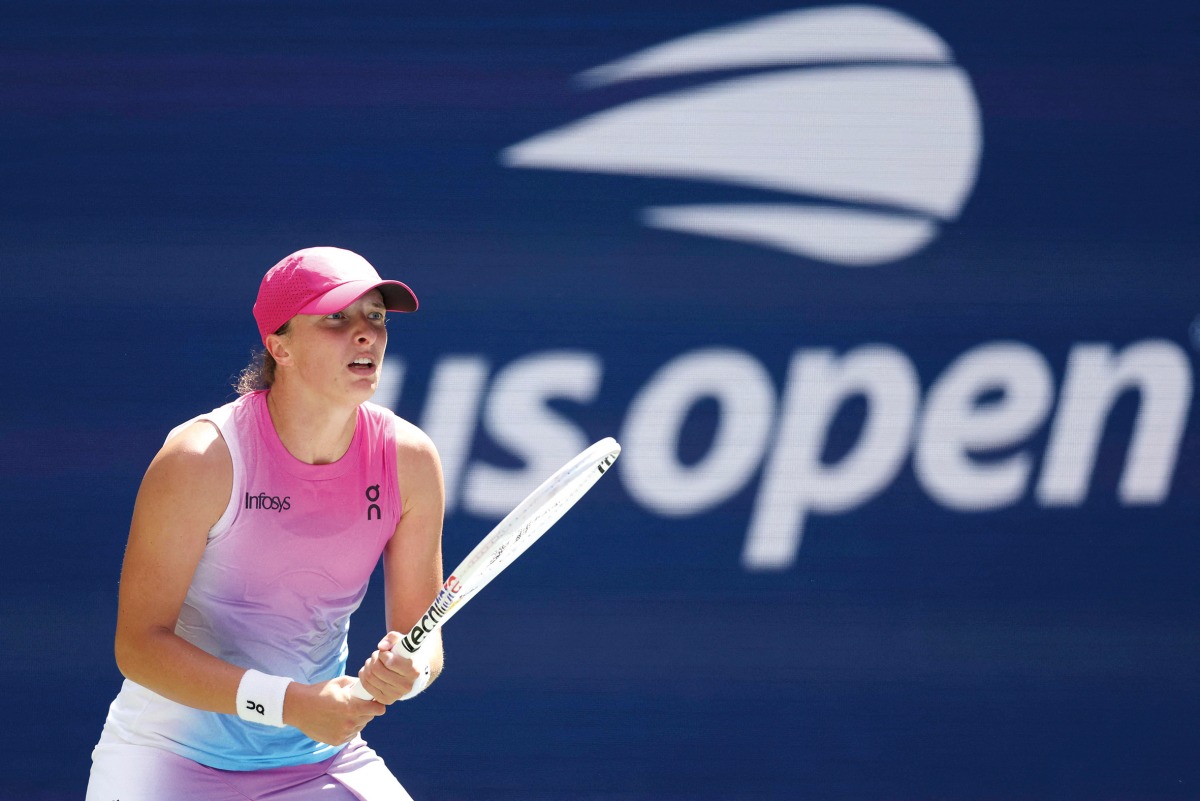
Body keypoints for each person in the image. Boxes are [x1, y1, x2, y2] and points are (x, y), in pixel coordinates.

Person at [86, 246, 446, 801]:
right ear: (280, 346)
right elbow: (138, 646)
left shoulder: (410, 459)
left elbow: (424, 640)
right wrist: (292, 704)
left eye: (375, 316)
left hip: (318, 763)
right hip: (165, 759)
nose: (365, 333)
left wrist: (410, 673)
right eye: (336, 317)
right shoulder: (201, 458)